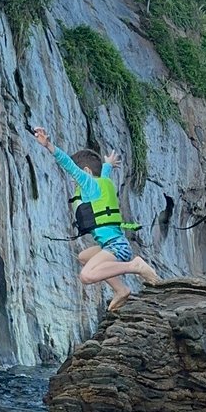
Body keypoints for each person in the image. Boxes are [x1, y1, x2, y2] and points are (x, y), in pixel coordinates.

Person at [32, 128, 159, 309]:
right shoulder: (102, 182)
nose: (76, 183)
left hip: (116, 247)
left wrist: (48, 146)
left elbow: (68, 164)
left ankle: (135, 266)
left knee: (86, 276)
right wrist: (107, 164)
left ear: (86, 172)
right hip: (113, 244)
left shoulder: (89, 183)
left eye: (78, 179)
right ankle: (121, 290)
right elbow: (105, 172)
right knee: (84, 256)